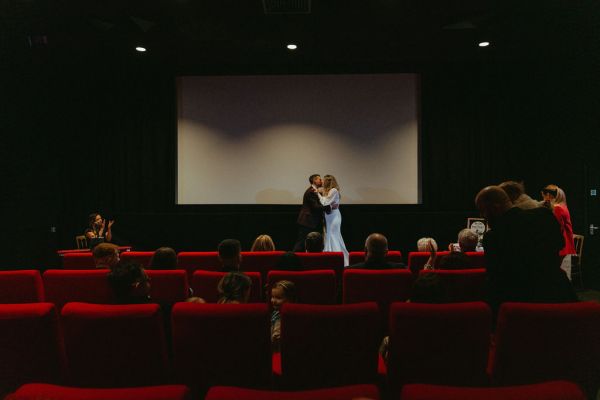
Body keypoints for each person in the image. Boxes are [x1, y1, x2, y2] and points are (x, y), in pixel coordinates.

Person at [475, 186, 576, 315]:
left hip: (519, 308)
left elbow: (496, 281)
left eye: (482, 211)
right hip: (559, 298)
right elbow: (559, 247)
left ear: (495, 208)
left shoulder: (493, 237)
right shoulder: (544, 216)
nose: (481, 216)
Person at [541, 184, 577, 280]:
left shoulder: (558, 208)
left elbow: (556, 228)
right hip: (566, 242)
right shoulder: (563, 206)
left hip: (561, 243)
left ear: (549, 195)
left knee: (556, 269)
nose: (544, 198)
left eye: (544, 196)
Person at [293, 174, 331, 252]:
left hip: (311, 221)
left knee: (309, 243)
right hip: (307, 221)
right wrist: (329, 207)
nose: (322, 181)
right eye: (320, 180)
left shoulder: (316, 191)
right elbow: (315, 207)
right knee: (301, 242)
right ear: (314, 180)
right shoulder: (311, 192)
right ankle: (292, 260)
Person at [318, 175, 349, 266]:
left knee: (333, 235)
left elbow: (325, 202)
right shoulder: (327, 191)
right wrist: (319, 192)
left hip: (334, 216)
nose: (322, 182)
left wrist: (318, 194)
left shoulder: (333, 190)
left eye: (323, 180)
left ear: (328, 181)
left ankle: (337, 259)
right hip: (329, 215)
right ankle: (331, 257)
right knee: (329, 235)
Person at [270, 280, 297, 352]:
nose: (273, 300)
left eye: (278, 298)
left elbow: (275, 339)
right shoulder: (276, 312)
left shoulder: (283, 318)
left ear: (290, 300)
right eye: (272, 297)